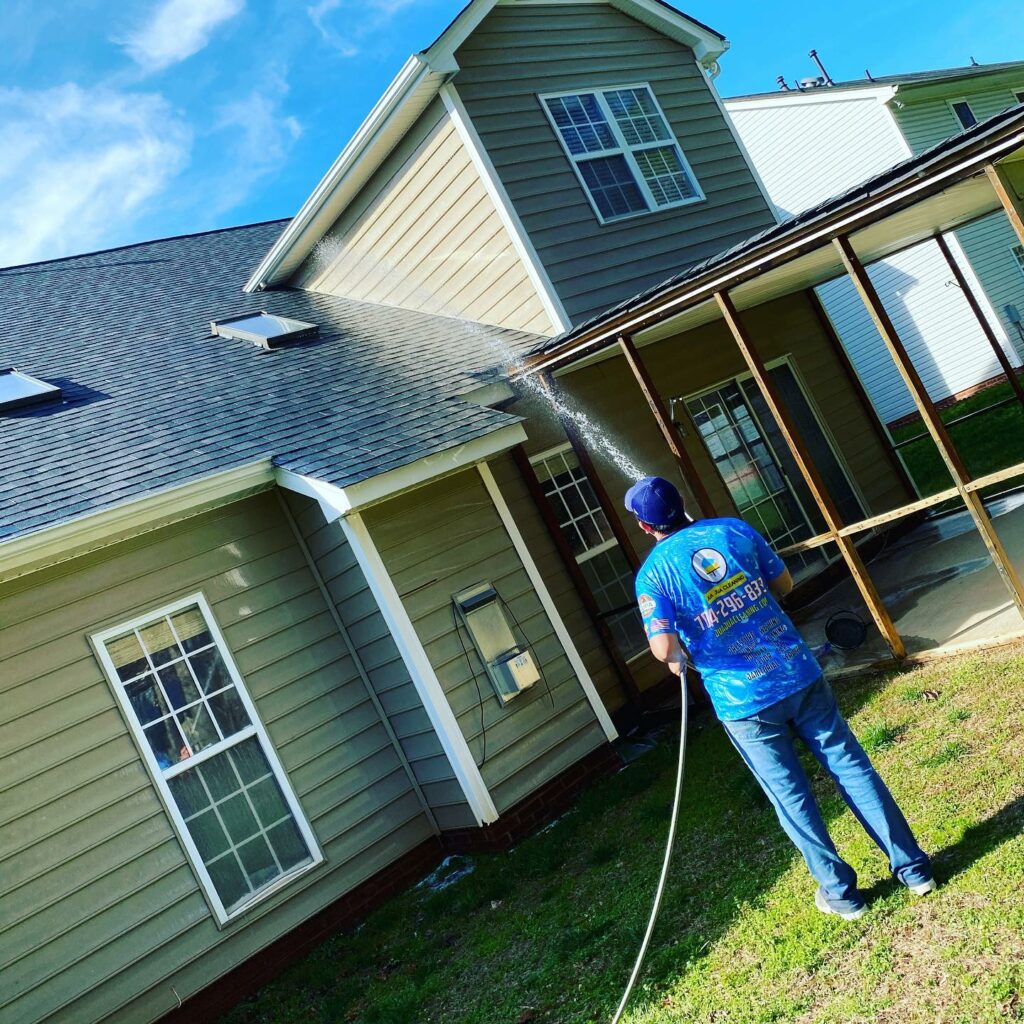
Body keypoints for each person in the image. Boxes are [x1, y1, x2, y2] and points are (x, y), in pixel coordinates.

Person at [625, 475, 935, 920]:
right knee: (851, 766)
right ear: (682, 504)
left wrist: (678, 655)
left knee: (792, 798)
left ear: (642, 526)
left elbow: (664, 649)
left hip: (745, 703)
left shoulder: (653, 575)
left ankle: (842, 896)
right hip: (797, 671)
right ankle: (915, 869)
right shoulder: (732, 530)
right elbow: (784, 583)